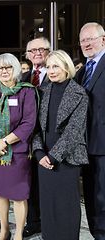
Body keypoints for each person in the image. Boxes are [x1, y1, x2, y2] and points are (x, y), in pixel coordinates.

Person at [0, 53, 37, 240]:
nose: (4, 71)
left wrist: (3, 142)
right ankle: (4, 230)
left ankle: (19, 232)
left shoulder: (27, 91)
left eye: (8, 67)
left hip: (17, 153)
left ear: (16, 69)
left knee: (19, 196)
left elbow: (29, 123)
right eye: (0, 68)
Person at [33, 49, 89, 240]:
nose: (51, 70)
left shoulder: (79, 93)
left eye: (56, 66)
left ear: (66, 67)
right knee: (48, 206)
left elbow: (75, 131)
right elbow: (36, 128)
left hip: (67, 160)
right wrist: (40, 153)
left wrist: (53, 156)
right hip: (44, 159)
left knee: (66, 207)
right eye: (48, 67)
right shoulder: (43, 91)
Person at [75, 22, 105, 240]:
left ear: (102, 40)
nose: (86, 43)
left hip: (103, 145)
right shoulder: (83, 71)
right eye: (83, 40)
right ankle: (96, 233)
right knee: (92, 197)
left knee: (103, 196)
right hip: (85, 145)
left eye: (90, 39)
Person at [21, 36, 50, 238]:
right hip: (25, 140)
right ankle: (33, 221)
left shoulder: (59, 74)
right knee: (28, 182)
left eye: (42, 49)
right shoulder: (23, 79)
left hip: (49, 140)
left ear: (49, 51)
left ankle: (49, 222)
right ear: (27, 55)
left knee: (46, 184)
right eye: (32, 50)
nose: (37, 53)